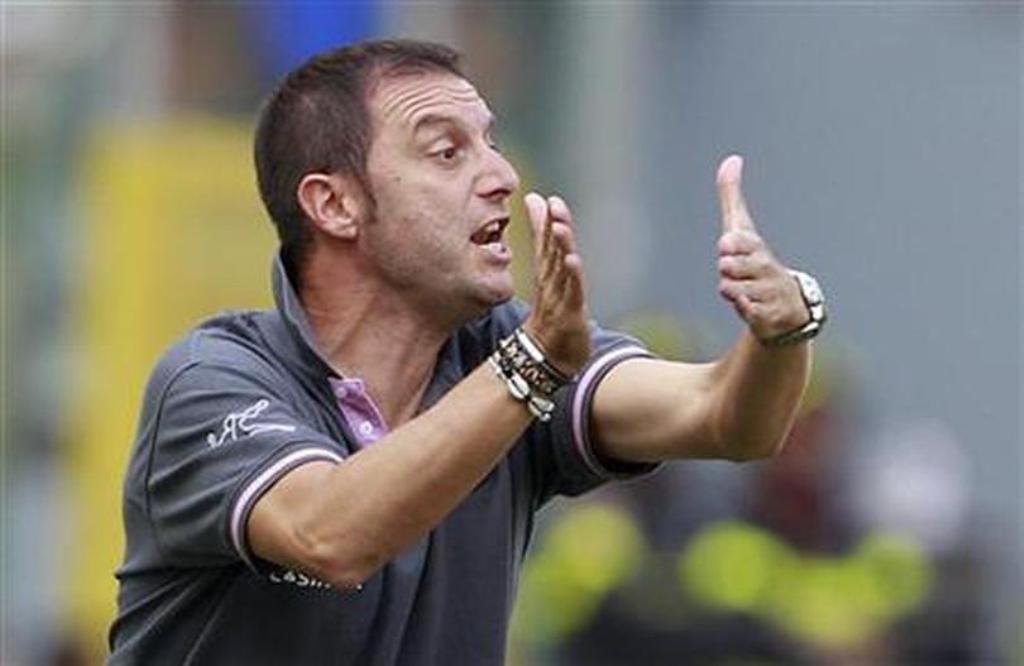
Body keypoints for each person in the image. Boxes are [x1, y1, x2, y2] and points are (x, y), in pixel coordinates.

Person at [108, 39, 825, 664]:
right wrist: (529, 369)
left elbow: (726, 418)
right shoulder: (215, 378)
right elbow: (328, 533)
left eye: (492, 143)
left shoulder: (505, 350)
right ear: (335, 205)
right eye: (447, 151)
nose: (502, 178)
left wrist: (783, 331)